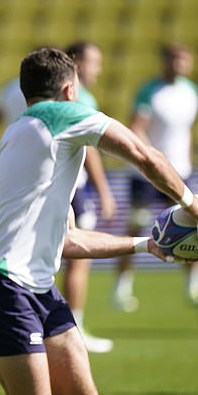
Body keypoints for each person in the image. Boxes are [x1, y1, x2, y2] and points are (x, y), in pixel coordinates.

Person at [0, 47, 198, 395]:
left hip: (34, 286)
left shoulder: (25, 134)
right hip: (2, 286)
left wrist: (144, 244)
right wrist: (191, 202)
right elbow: (144, 153)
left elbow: (68, 241)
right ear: (71, 90)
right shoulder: (60, 116)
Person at [112, 43, 198, 312]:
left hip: (181, 171)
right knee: (136, 225)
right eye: (174, 59)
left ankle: (194, 287)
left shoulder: (191, 92)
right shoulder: (150, 91)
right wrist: (152, 159)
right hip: (148, 172)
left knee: (195, 227)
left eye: (183, 59)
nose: (179, 64)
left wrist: (186, 161)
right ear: (164, 61)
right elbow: (136, 128)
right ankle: (121, 287)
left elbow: (187, 132)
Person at [62, 41, 116, 353]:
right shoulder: (81, 97)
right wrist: (104, 190)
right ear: (77, 63)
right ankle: (74, 329)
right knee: (79, 258)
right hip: (75, 189)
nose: (99, 68)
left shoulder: (51, 94)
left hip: (54, 187)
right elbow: (89, 151)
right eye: (94, 61)